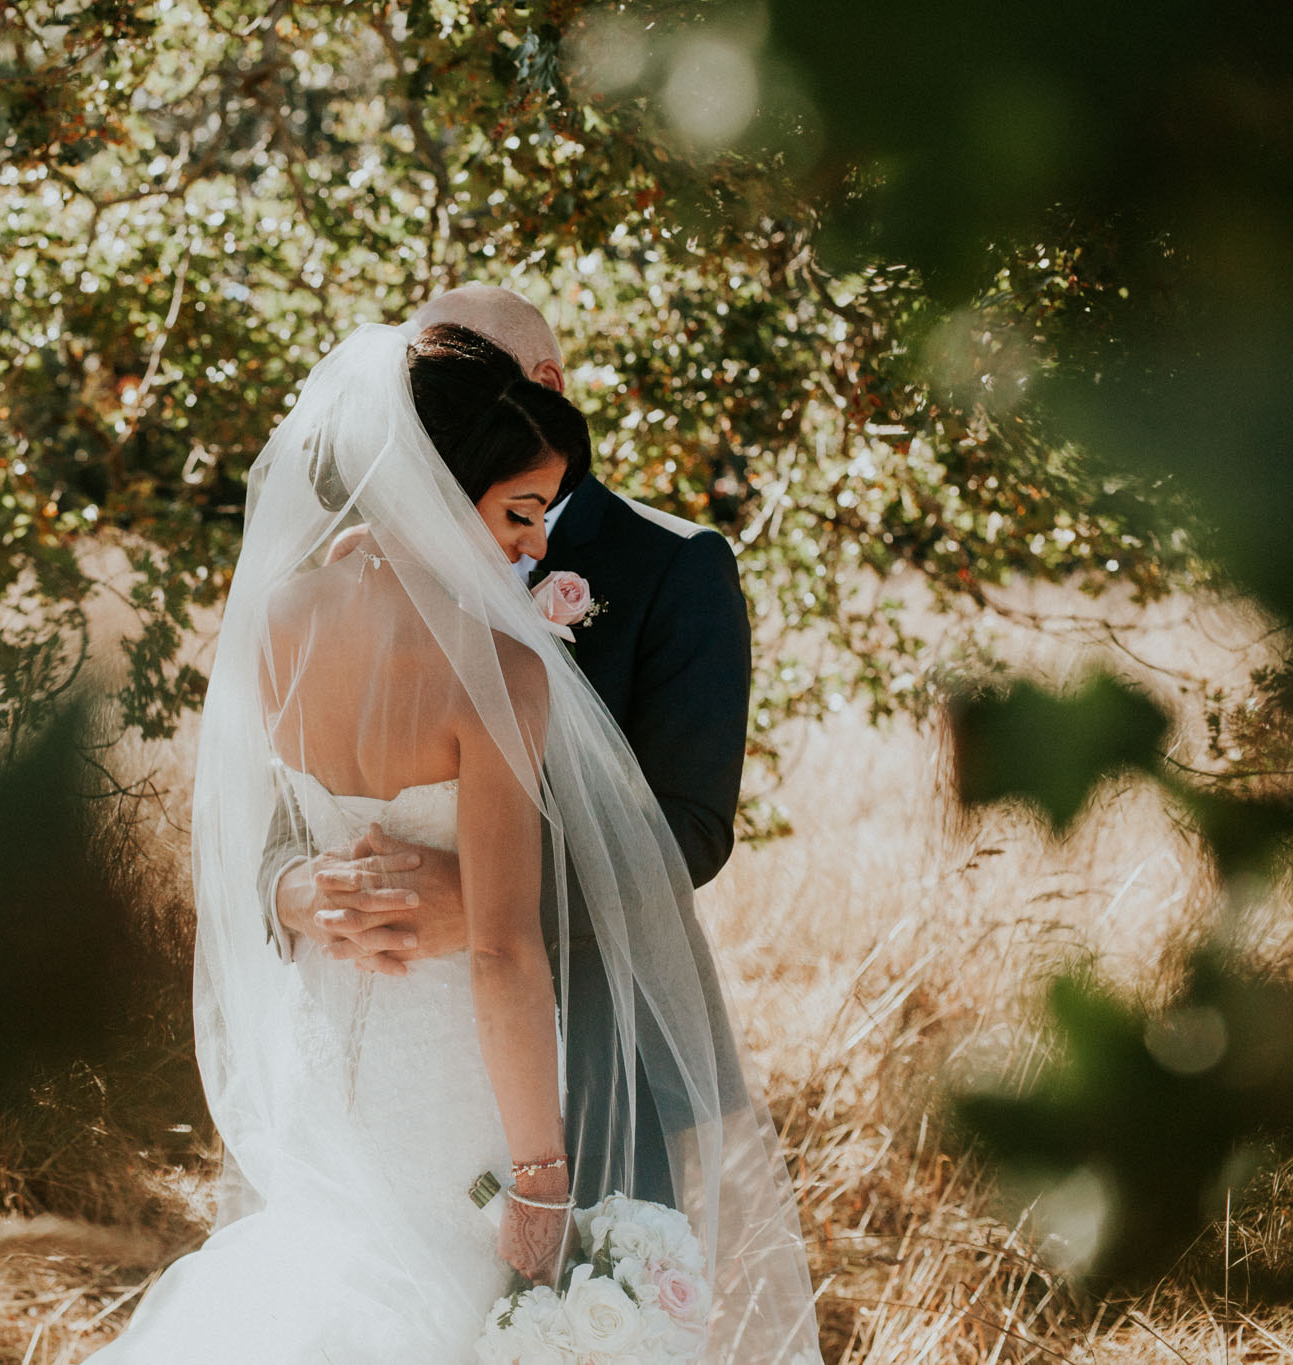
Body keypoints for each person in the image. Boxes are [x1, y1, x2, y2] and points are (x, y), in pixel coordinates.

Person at [84, 320, 819, 1364]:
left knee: (328, 1287)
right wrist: (540, 1182)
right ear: (439, 483)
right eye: (518, 514)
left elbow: (684, 828)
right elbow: (502, 953)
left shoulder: (279, 619)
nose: (535, 545)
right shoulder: (494, 673)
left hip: (328, 1057)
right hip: (461, 1080)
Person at [261, 285, 752, 1214]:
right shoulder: (344, 578)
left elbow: (691, 826)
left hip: (595, 1045)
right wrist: (304, 892)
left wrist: (488, 902)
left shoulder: (674, 566)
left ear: (541, 387)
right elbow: (277, 830)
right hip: (374, 1045)